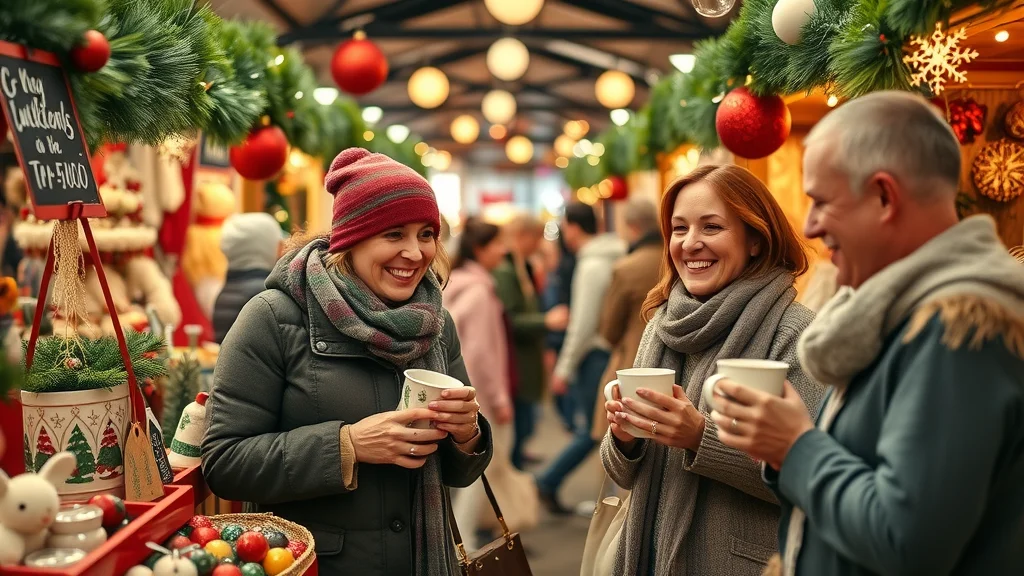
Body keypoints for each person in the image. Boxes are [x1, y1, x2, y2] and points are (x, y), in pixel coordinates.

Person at [713, 91, 1024, 575]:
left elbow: (907, 542)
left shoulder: (962, 330)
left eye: (821, 201)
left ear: (884, 196)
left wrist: (796, 447)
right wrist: (783, 447)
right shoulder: (905, 315)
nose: (811, 226)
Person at [202, 149, 492, 576]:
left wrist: (467, 434)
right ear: (352, 239)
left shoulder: (435, 322)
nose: (415, 253)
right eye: (394, 234)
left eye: (426, 233)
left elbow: (458, 473)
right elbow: (225, 461)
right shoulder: (273, 317)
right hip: (317, 564)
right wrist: (347, 446)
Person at [600, 164, 826, 575]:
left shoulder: (795, 333)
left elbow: (810, 476)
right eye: (680, 228)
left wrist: (699, 437)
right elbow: (623, 473)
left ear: (755, 239)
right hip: (647, 555)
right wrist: (623, 437)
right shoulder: (662, 324)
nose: (690, 244)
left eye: (712, 227)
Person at [537, 202, 625, 514]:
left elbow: (583, 324)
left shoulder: (590, 265)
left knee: (594, 430)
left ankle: (547, 480)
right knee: (602, 429)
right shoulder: (616, 253)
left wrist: (564, 368)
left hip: (594, 357)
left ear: (574, 227)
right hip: (609, 353)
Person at [492, 214, 566, 470]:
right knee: (520, 424)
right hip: (518, 362)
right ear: (522, 236)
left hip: (527, 359)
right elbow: (511, 320)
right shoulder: (506, 270)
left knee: (525, 423)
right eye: (536, 237)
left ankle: (517, 467)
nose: (540, 243)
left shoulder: (522, 266)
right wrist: (546, 321)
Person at [590, 198, 663, 443]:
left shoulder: (626, 268)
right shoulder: (675, 262)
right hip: (676, 368)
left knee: (626, 440)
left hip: (633, 364)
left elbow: (609, 330)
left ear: (632, 227)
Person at [211, 212, 285, 344]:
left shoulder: (228, 288)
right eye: (279, 243)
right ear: (264, 248)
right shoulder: (264, 293)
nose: (284, 248)